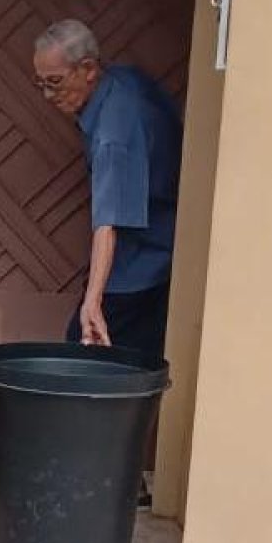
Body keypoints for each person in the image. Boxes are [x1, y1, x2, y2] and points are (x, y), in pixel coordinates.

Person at [32, 19, 182, 363]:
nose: (48, 95)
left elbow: (108, 222)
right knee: (134, 367)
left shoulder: (115, 131)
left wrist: (93, 302)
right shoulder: (123, 81)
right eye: (41, 83)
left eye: (55, 83)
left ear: (87, 69)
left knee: (83, 357)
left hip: (141, 265)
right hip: (160, 251)